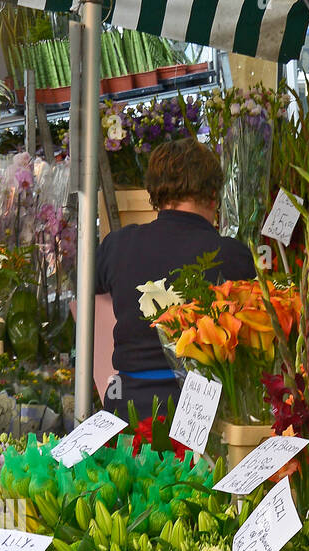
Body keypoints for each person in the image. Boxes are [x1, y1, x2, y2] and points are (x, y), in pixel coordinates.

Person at [95, 137, 255, 423]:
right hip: (199, 418)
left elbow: (83, 298)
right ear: (213, 196)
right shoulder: (231, 256)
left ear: (155, 193)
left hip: (124, 411)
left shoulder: (117, 246)